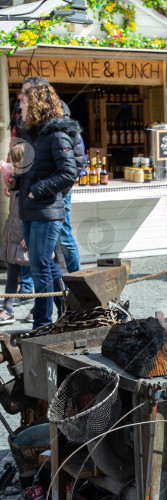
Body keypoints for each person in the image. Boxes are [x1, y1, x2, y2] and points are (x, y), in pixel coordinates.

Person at [10, 83, 79, 328]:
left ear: (36, 103)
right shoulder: (32, 133)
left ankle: (41, 324)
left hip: (47, 210)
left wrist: (35, 191)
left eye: (23, 100)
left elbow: (69, 173)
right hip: (30, 210)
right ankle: (65, 313)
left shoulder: (57, 134)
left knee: (40, 267)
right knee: (44, 265)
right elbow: (30, 170)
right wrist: (15, 181)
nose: (19, 105)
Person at [17, 76, 83, 274]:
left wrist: (51, 192)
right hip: (36, 193)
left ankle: (77, 283)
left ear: (39, 95)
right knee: (37, 251)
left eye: (26, 93)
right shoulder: (29, 123)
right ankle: (46, 289)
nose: (21, 97)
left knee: (63, 239)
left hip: (55, 192)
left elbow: (75, 164)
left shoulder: (61, 122)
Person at [0, 144, 30, 324]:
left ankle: (38, 308)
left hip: (25, 235)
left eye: (13, 160)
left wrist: (29, 236)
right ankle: (7, 308)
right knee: (11, 272)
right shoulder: (16, 182)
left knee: (38, 273)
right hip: (13, 234)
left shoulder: (29, 184)